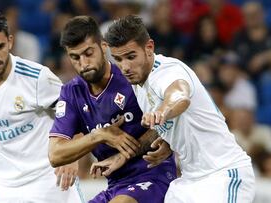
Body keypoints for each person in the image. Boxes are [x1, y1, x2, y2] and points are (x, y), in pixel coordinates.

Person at [103, 15, 255, 203]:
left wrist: (162, 112)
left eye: (131, 57)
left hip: (222, 174)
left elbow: (179, 95)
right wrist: (168, 141)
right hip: (188, 182)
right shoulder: (138, 82)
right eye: (118, 59)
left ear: (149, 48)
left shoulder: (168, 71)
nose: (125, 67)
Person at [0, 10, 84, 203]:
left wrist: (72, 158)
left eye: (0, 46)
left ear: (10, 41)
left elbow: (75, 111)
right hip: (4, 183)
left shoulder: (36, 77)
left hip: (49, 178)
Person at [48, 15, 176, 203]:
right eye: (75, 57)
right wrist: (100, 134)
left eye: (88, 53)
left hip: (154, 175)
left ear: (104, 47)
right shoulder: (71, 92)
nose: (83, 64)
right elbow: (55, 154)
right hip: (116, 184)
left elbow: (168, 123)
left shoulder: (131, 77)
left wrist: (124, 153)